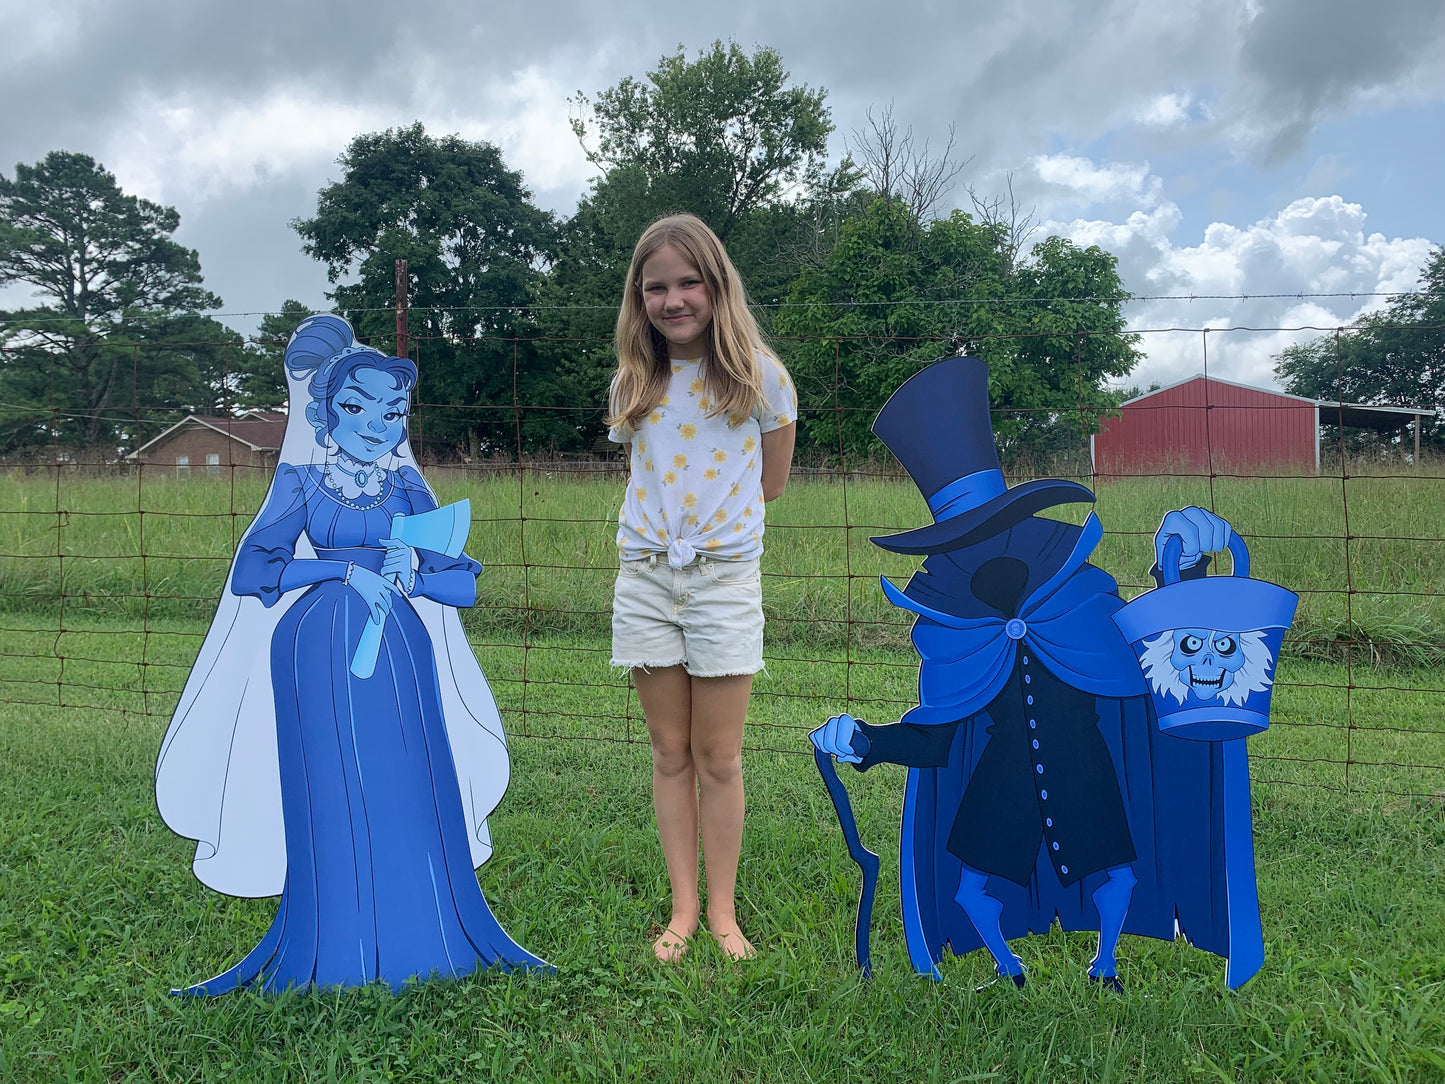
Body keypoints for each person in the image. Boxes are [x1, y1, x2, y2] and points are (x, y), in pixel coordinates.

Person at [155, 314, 546, 994]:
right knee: (330, 778)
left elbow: (461, 583)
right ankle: (333, 932)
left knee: (406, 770)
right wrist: (340, 570)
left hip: (397, 641)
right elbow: (253, 570)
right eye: (358, 407)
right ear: (325, 413)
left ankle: (425, 923)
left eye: (392, 413)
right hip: (315, 641)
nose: (376, 425)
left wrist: (413, 575)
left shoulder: (407, 489)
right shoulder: (302, 483)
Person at [607, 214, 797, 961]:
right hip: (647, 579)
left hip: (722, 582)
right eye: (656, 287)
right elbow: (645, 472)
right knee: (668, 750)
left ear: (718, 287)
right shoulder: (635, 380)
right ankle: (682, 908)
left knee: (718, 756)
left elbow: (771, 483)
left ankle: (722, 911)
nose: (673, 299)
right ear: (639, 297)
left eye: (690, 283)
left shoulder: (760, 377)